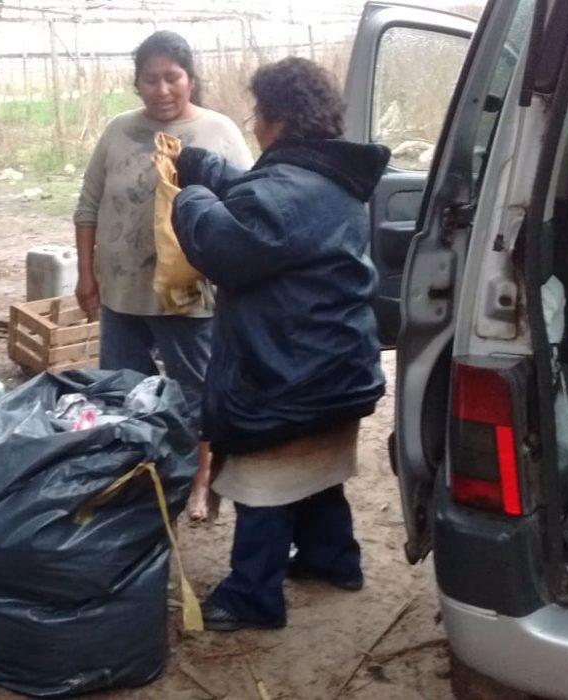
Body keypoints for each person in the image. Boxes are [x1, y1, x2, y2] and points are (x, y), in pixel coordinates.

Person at [169, 57, 390, 631]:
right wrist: (208, 167)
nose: (255, 125)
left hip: (286, 376)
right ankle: (333, 561)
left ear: (277, 120)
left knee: (263, 486)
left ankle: (252, 596)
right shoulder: (329, 178)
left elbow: (224, 243)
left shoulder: (287, 191)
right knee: (317, 473)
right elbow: (262, 201)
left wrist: (190, 192)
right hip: (335, 367)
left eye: (259, 115)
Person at [73, 30, 253, 523]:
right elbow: (88, 206)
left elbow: (249, 210)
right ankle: (139, 471)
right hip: (121, 290)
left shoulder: (219, 132)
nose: (162, 89)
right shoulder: (117, 131)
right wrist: (86, 275)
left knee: (199, 390)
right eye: (150, 80)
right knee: (123, 387)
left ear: (190, 78)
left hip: (189, 294)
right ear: (137, 84)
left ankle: (202, 480)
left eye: (172, 77)